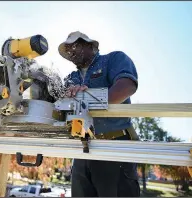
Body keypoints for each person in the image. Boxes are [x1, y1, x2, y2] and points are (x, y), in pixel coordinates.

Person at [58, 31, 141, 197]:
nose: (71, 51)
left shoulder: (113, 59)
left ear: (90, 45)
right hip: (82, 149)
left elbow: (127, 86)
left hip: (114, 145)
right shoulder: (70, 78)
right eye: (68, 49)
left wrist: (89, 98)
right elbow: (59, 108)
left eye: (75, 45)